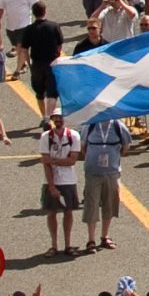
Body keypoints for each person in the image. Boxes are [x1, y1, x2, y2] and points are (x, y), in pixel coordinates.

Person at [38, 105, 84, 255]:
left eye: (60, 117)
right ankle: (54, 245)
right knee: (51, 212)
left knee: (68, 211)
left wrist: (53, 160)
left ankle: (68, 244)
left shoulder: (74, 136)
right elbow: (45, 162)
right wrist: (51, 186)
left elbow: (72, 161)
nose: (58, 120)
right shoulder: (46, 137)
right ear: (52, 120)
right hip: (51, 181)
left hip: (68, 180)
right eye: (55, 118)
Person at [81, 114, 129, 250]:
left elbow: (126, 147)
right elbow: (83, 146)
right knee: (92, 204)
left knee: (110, 204)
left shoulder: (118, 125)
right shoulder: (89, 124)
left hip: (112, 172)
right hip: (93, 172)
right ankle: (91, 240)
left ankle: (105, 236)